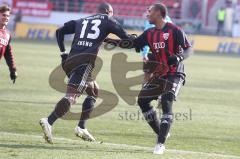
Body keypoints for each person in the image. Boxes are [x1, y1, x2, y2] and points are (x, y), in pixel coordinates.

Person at [105, 3, 193, 154]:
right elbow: (132, 43)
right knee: (142, 100)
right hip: (160, 74)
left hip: (174, 73)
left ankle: (160, 144)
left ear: (158, 13)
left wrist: (179, 57)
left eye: (150, 11)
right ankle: (161, 131)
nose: (147, 13)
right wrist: (108, 40)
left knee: (166, 101)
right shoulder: (149, 33)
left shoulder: (175, 30)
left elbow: (188, 49)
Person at [39, 2, 133, 144]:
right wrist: (133, 40)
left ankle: (81, 127)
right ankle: (49, 121)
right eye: (112, 12)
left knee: (94, 90)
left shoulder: (83, 20)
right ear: (108, 11)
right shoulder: (108, 20)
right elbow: (126, 38)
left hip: (70, 61)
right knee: (72, 96)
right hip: (84, 63)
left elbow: (59, 32)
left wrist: (63, 54)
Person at [0, 5, 17, 83]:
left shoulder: (7, 34)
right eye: (4, 15)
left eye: (8, 16)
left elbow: (8, 53)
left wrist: (12, 70)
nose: (6, 18)